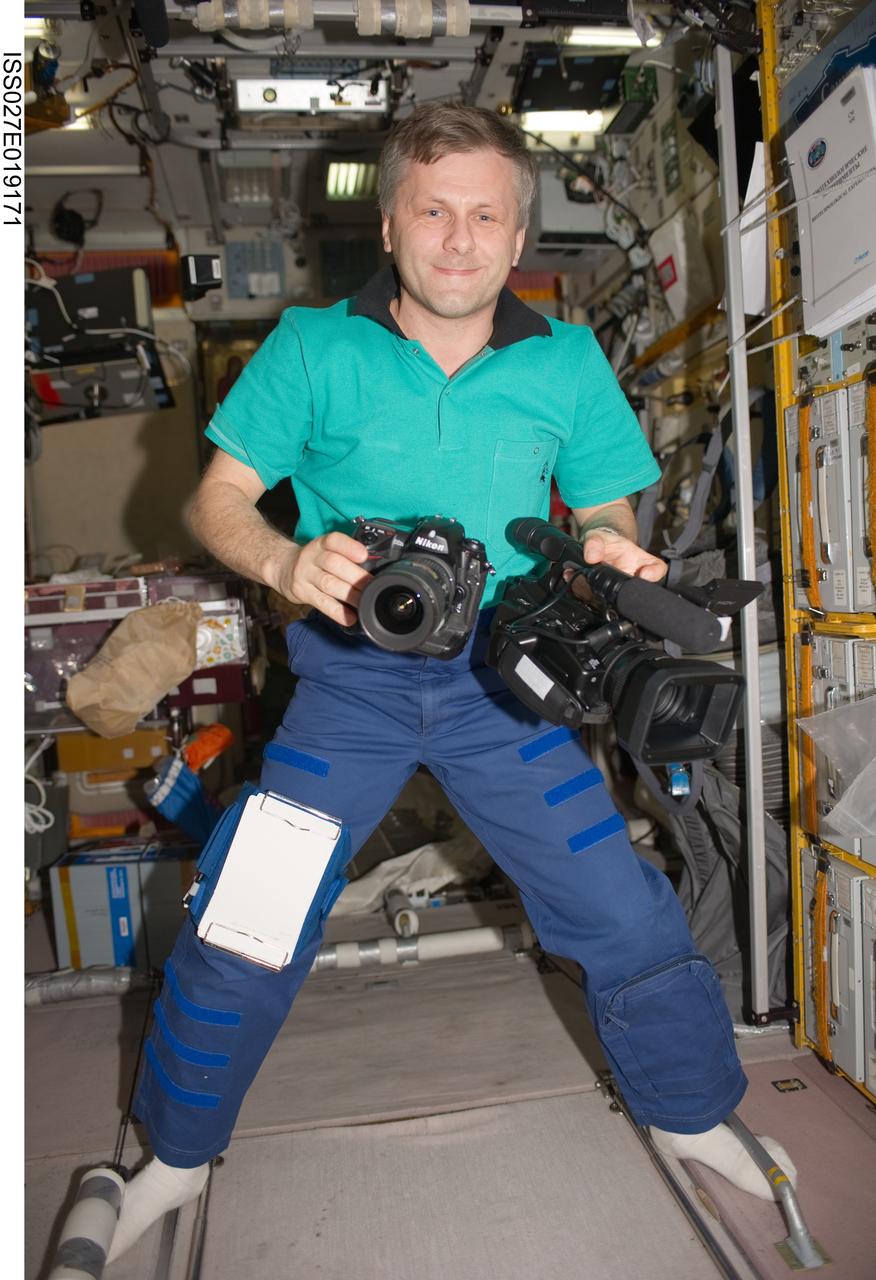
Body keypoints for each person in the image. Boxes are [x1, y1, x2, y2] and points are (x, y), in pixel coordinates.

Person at [108, 104, 794, 1263]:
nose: (460, 237)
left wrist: (613, 544)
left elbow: (610, 501)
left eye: (486, 214)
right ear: (392, 222)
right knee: (246, 916)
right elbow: (215, 499)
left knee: (621, 908)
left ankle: (691, 1109)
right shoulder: (313, 346)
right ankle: (175, 1149)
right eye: (435, 210)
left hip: (508, 691)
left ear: (519, 229)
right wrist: (281, 556)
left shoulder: (567, 359)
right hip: (348, 694)